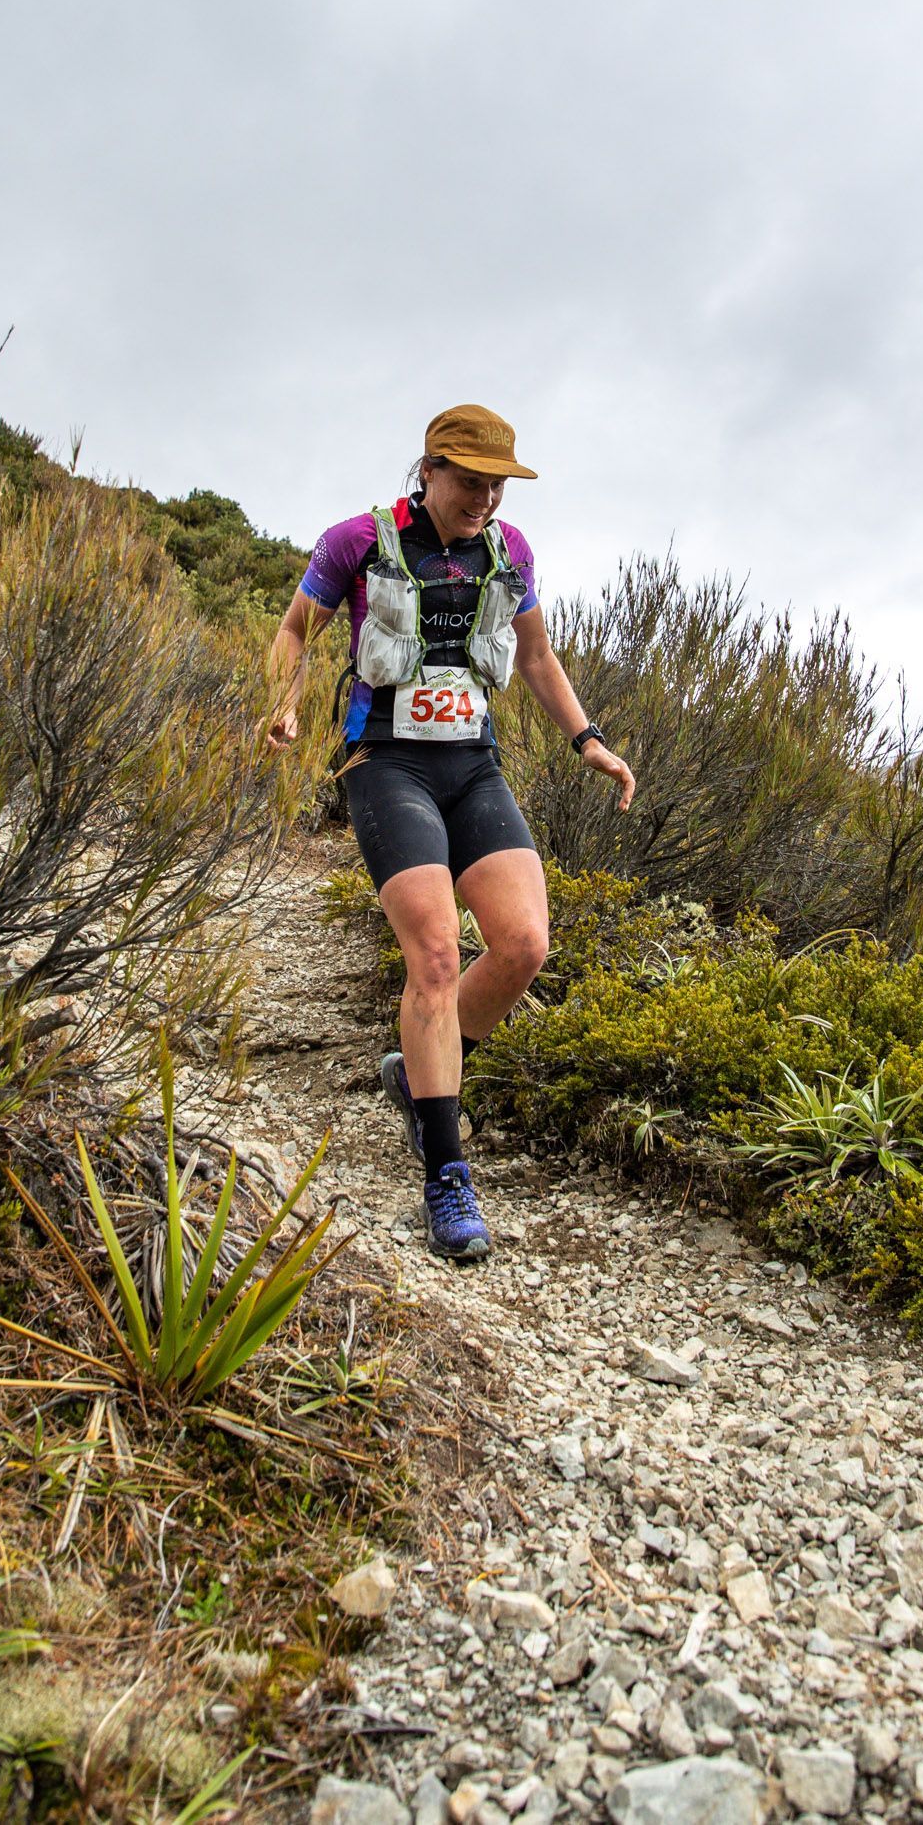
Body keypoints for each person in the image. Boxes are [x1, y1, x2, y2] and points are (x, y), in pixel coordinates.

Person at [266, 405, 635, 1263]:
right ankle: (446, 1171)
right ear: (427, 469)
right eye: (469, 479)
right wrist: (279, 702)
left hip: (471, 764)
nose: (484, 498)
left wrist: (588, 741)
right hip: (384, 764)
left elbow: (536, 658)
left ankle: (420, 1069)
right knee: (433, 956)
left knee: (523, 946)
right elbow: (295, 630)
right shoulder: (354, 541)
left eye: (496, 482)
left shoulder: (510, 554)